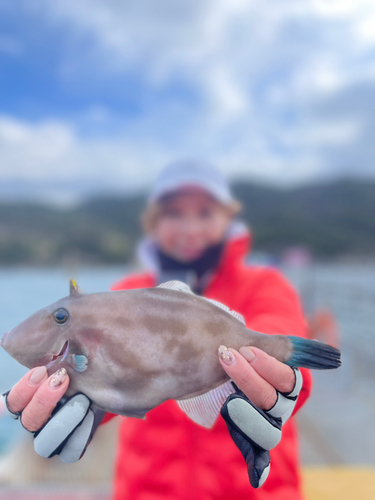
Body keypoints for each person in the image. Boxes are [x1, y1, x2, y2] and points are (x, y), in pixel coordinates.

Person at [4, 160, 312, 500]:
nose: (189, 226)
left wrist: (286, 379)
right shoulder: (126, 291)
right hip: (148, 490)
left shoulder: (264, 284)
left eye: (205, 212)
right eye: (174, 213)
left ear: (228, 219)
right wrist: (89, 407)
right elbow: (113, 376)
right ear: (154, 222)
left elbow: (276, 329)